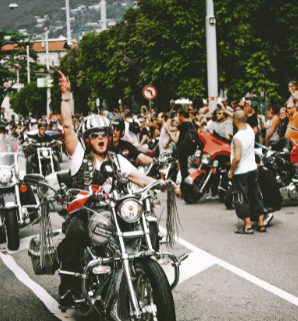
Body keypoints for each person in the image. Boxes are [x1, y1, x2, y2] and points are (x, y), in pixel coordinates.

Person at [56, 71, 157, 304]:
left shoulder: (117, 159)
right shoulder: (79, 155)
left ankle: (145, 269)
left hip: (113, 211)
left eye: (104, 134)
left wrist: (166, 184)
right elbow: (68, 125)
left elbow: (140, 179)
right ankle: (68, 286)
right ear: (87, 138)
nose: (100, 138)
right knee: (76, 232)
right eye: (94, 135)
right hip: (84, 212)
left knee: (142, 222)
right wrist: (66, 95)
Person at [229, 111, 265, 234]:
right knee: (256, 195)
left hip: (241, 172)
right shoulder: (250, 129)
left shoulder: (237, 137)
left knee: (241, 197)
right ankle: (261, 223)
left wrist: (231, 171)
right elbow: (240, 118)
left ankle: (248, 226)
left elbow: (237, 158)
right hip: (253, 169)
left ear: (234, 121)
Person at [166, 107, 196, 183]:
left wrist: (170, 120)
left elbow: (170, 128)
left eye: (178, 115)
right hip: (188, 150)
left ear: (182, 116)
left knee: (183, 171)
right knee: (185, 169)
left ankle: (184, 186)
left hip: (182, 151)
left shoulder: (184, 124)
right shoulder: (190, 124)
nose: (178, 117)